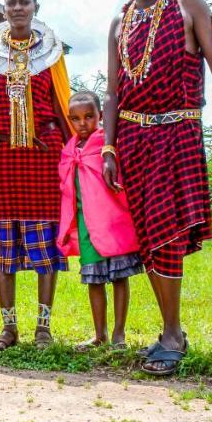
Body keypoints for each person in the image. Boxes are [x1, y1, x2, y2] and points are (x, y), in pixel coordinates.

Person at [102, 0, 212, 376]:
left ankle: (172, 334)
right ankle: (170, 331)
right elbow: (112, 93)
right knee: (148, 238)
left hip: (177, 132)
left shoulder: (188, 5)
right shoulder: (118, 22)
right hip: (131, 139)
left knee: (167, 234)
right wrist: (108, 147)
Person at [0, 0, 72, 349]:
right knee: (1, 243)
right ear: (4, 10)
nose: (18, 7)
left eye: (25, 2)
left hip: (43, 156)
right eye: (12, 2)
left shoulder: (51, 53)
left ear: (35, 7)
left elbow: (61, 104)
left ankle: (43, 327)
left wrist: (72, 155)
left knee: (44, 245)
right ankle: (8, 328)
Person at [56, 91, 144, 350]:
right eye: (75, 118)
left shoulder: (107, 145)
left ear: (100, 116)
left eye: (89, 117)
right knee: (93, 279)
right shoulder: (70, 148)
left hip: (112, 223)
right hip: (86, 225)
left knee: (119, 277)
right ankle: (99, 334)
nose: (82, 123)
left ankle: (119, 333)